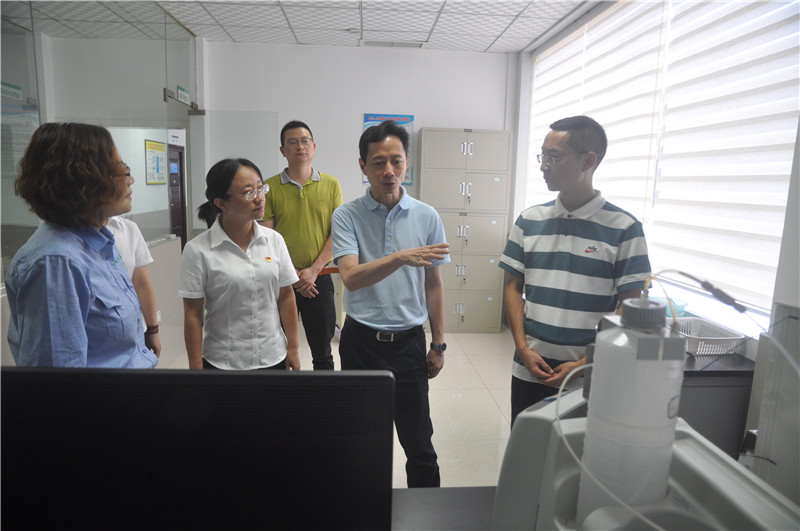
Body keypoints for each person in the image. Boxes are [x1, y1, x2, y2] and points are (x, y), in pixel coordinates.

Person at [499, 116, 651, 425]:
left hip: (590, 377)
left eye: (554, 158)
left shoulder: (625, 228)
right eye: (542, 156)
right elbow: (513, 287)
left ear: (588, 161)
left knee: (578, 452)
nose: (544, 166)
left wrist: (585, 364)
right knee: (527, 446)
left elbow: (630, 307)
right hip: (530, 369)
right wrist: (523, 349)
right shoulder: (529, 221)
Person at [331, 120, 450, 488]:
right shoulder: (346, 215)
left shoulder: (427, 216)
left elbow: (433, 283)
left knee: (420, 444)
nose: (388, 171)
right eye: (378, 162)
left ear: (407, 163)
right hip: (360, 342)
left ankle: (426, 511)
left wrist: (438, 344)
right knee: (361, 440)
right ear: (363, 166)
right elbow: (351, 277)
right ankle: (363, 508)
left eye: (396, 161)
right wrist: (400, 257)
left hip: (409, 343)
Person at [6, 122, 158, 368]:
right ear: (85, 182)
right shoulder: (56, 262)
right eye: (120, 169)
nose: (130, 180)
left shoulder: (98, 241)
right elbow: (61, 378)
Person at [179, 158, 300, 371]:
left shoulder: (274, 240)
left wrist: (293, 347)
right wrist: (196, 369)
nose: (260, 198)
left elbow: (286, 296)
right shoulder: (198, 250)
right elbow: (193, 314)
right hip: (224, 361)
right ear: (221, 203)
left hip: (272, 355)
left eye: (261, 188)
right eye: (249, 193)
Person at [262, 120, 343, 370]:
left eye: (305, 141)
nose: (300, 146)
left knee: (323, 352)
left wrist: (313, 271)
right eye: (292, 142)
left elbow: (337, 234)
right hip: (281, 281)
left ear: (314, 147)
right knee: (279, 350)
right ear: (282, 150)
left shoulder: (331, 184)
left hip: (320, 278)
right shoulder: (269, 188)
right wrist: (294, 276)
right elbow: (267, 237)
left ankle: (322, 395)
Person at [106, 163, 161, 356]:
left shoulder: (128, 229)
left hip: (135, 332)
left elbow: (141, 283)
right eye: (125, 175)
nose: (132, 181)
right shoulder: (64, 252)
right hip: (106, 345)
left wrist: (153, 329)